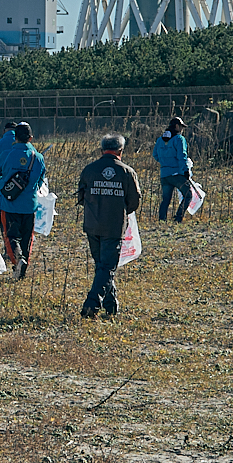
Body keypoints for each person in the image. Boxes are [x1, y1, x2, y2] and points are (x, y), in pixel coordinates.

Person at [74, 134, 141, 319]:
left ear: (101, 150)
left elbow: (80, 196)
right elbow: (134, 202)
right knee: (106, 268)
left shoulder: (89, 170)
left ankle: (111, 306)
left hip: (92, 225)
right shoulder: (127, 172)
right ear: (121, 151)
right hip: (114, 226)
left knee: (102, 266)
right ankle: (92, 304)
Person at [0, 122, 46, 277]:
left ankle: (17, 260)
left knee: (10, 236)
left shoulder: (6, 154)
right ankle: (22, 270)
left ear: (14, 138)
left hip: (8, 203)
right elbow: (41, 181)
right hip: (29, 204)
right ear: (31, 137)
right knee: (27, 237)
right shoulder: (38, 157)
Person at [152, 115, 192, 223]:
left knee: (166, 199)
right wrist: (185, 170)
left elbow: (155, 154)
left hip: (164, 175)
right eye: (181, 127)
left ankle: (162, 220)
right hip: (177, 174)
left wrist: (165, 163)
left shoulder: (160, 140)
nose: (182, 129)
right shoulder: (179, 139)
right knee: (188, 194)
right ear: (176, 126)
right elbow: (182, 156)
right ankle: (178, 217)